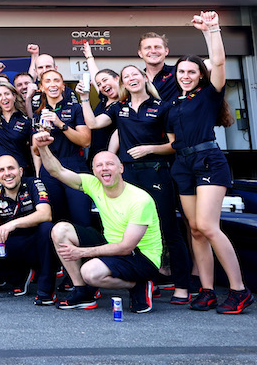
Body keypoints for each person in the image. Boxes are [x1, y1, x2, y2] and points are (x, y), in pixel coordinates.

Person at [78, 60, 189, 304]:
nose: (131, 78)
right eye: (126, 76)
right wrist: (85, 98)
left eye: (134, 74)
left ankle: (181, 286)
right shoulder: (120, 108)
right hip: (128, 174)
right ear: (123, 83)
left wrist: (150, 149)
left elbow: (174, 145)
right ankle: (146, 277)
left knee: (168, 228)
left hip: (155, 172)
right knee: (131, 228)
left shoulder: (162, 107)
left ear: (144, 78)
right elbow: (94, 124)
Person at [163, 12, 251, 314]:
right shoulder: (173, 104)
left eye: (191, 71)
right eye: (181, 71)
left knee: (208, 227)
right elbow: (172, 140)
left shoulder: (209, 95)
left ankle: (239, 290)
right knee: (195, 229)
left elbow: (219, 62)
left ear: (200, 75)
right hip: (183, 165)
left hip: (209, 161)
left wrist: (212, 30)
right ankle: (207, 290)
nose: (185, 75)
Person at [36, 135, 163, 313]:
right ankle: (82, 291)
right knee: (60, 230)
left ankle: (138, 284)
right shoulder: (93, 184)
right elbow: (57, 171)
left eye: (110, 164)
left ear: (121, 168)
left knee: (90, 272)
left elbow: (126, 247)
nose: (104, 168)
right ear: (94, 171)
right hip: (110, 244)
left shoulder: (140, 199)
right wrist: (42, 148)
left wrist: (82, 252)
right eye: (99, 165)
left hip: (142, 257)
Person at [0, 155, 55, 305]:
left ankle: (46, 290)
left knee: (47, 228)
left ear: (20, 171)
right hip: (14, 244)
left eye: (11, 168)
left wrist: (12, 224)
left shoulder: (34, 183)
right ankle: (19, 276)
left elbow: (46, 214)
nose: (7, 173)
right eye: (2, 170)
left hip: (38, 242)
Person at [33, 69, 92, 227]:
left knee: (82, 219)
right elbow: (36, 151)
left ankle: (85, 251)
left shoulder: (75, 108)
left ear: (63, 86)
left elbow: (85, 141)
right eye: (48, 81)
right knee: (57, 220)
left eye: (56, 81)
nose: (52, 84)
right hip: (49, 168)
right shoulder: (37, 114)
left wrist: (60, 124)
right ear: (42, 87)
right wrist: (42, 137)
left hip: (74, 165)